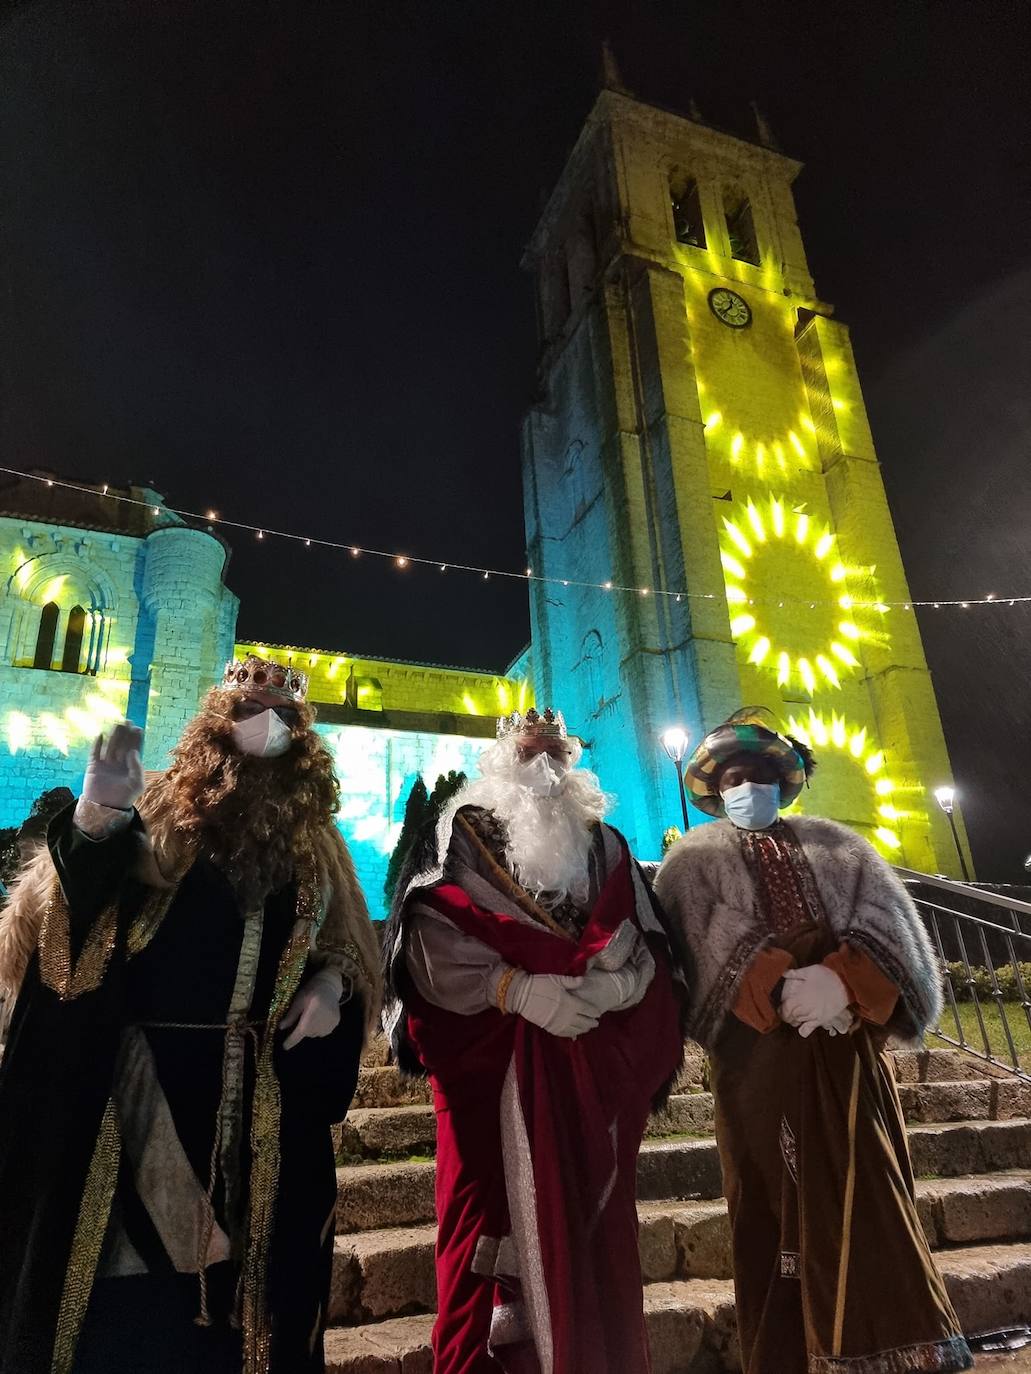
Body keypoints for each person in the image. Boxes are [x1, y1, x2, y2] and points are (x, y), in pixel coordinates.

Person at [0, 654, 381, 1374]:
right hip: (146, 1096)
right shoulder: (161, 812)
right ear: (214, 721)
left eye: (281, 718)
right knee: (138, 1290)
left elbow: (345, 941)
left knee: (251, 1297)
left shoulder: (318, 844)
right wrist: (96, 826)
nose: (261, 724)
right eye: (243, 711)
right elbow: (63, 938)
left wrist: (334, 984)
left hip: (261, 1110)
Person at [654, 708, 973, 1374]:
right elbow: (689, 943)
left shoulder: (838, 844)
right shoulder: (689, 862)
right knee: (775, 1212)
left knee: (872, 1193)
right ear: (714, 789)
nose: (748, 786)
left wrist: (844, 984)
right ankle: (791, 1357)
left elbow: (890, 923)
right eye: (734, 777)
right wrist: (770, 982)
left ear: (782, 780)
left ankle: (896, 1346)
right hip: (758, 1069)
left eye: (760, 774)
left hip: (846, 1055)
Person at [383, 707, 688, 1374]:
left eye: (556, 749)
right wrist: (513, 990)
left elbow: (644, 936)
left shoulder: (604, 842)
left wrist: (618, 989)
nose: (544, 761)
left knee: (593, 1227)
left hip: (591, 1063)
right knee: (488, 1219)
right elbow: (429, 926)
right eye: (530, 749)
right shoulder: (457, 835)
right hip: (492, 1066)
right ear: (500, 756)